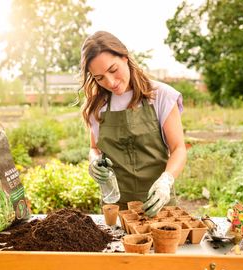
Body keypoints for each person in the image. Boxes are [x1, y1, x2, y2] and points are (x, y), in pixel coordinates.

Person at [79, 31, 187, 217]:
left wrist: (166, 181)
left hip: (158, 202)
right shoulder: (96, 106)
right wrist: (94, 161)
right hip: (115, 205)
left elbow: (178, 148)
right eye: (99, 78)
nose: (110, 82)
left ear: (125, 57)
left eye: (113, 70)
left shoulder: (161, 96)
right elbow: (94, 148)